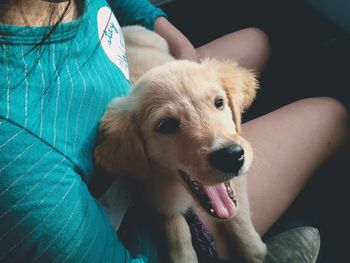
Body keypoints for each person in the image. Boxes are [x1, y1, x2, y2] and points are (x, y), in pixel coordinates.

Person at [0, 0, 348, 262]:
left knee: (257, 40)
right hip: (139, 218)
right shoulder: (17, 153)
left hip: (135, 90)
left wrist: (171, 36)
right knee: (330, 115)